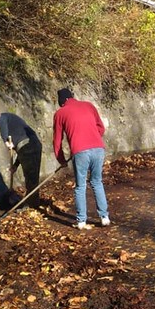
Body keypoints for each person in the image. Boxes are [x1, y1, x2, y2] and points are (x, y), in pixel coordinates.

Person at [53, 88, 110, 230]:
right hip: (98, 148)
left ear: (62, 101)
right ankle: (104, 217)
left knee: (80, 186)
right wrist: (93, 139)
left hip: (80, 151)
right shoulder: (88, 105)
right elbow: (101, 128)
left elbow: (57, 140)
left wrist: (61, 159)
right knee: (97, 182)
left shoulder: (60, 113)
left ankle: (81, 221)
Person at [0, 112, 42, 208]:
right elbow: (22, 151)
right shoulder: (15, 122)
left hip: (27, 146)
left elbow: (1, 120)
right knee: (33, 177)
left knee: (31, 178)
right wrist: (15, 165)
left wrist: (6, 142)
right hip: (35, 143)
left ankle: (30, 205)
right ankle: (34, 203)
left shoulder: (2, 117)